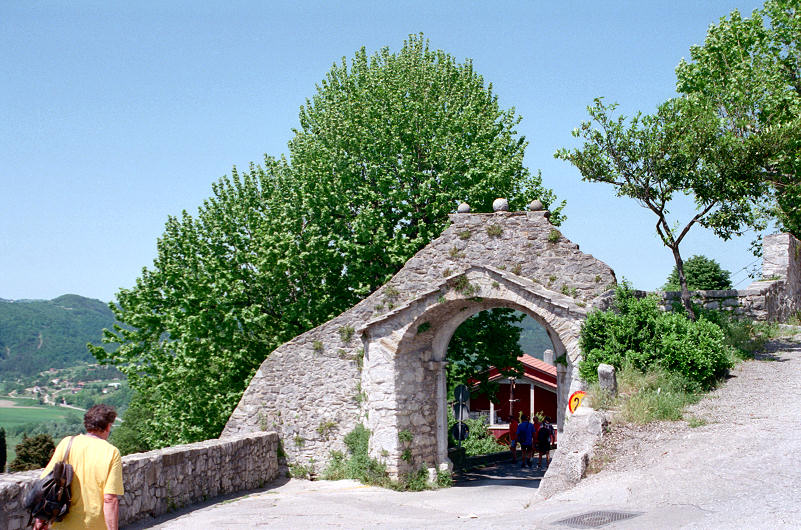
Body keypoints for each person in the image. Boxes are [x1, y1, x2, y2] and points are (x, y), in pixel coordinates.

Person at [34, 404, 124, 530]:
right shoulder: (111, 452)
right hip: (94, 525)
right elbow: (109, 498)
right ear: (108, 426)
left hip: (63, 522)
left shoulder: (67, 443)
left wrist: (40, 518)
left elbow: (45, 483)